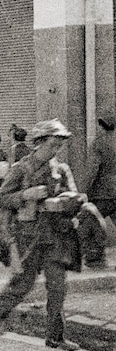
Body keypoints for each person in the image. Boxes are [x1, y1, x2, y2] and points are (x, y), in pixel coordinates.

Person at [0, 119, 86, 351]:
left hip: (54, 234)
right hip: (28, 235)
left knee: (58, 286)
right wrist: (26, 195)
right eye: (53, 144)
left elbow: (76, 197)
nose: (56, 149)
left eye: (59, 145)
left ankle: (55, 336)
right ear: (39, 142)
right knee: (23, 283)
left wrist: (65, 201)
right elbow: (1, 198)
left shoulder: (61, 170)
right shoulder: (21, 168)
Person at [77, 110, 116, 269]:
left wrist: (82, 192)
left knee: (89, 219)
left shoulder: (99, 143)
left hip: (103, 193)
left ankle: (95, 258)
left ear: (102, 126)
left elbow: (91, 171)